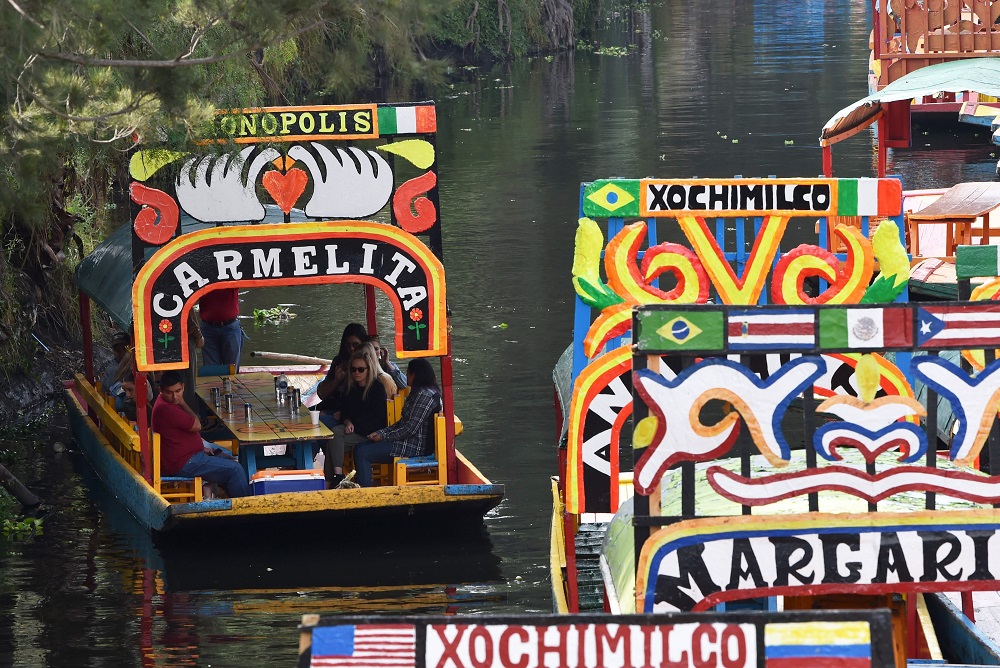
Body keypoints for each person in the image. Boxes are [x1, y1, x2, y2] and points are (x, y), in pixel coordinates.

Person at [152, 369, 250, 498]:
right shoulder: (166, 409)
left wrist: (202, 448)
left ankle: (230, 500)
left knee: (229, 459)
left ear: (183, 387)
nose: (174, 397)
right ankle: (245, 506)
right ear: (160, 390)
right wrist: (183, 402)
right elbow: (197, 425)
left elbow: (177, 435)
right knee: (235, 469)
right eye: (169, 392)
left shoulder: (165, 402)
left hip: (190, 456)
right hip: (184, 463)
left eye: (178, 391)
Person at [353, 358, 442, 487]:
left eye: (408, 373)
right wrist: (380, 432)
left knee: (363, 453)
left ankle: (363, 492)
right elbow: (402, 422)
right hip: (408, 440)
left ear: (414, 375)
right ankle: (363, 483)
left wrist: (383, 437)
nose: (406, 376)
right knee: (359, 447)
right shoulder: (417, 393)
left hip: (415, 446)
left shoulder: (425, 395)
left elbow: (410, 429)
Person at [322, 348, 387, 489]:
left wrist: (353, 424)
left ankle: (334, 479)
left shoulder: (377, 389)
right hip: (354, 431)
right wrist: (347, 421)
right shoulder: (351, 388)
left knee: (335, 434)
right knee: (331, 443)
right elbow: (345, 411)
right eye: (353, 369)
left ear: (368, 370)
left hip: (369, 432)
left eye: (360, 369)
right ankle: (332, 481)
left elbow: (376, 419)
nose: (356, 373)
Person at [315, 323, 367, 418]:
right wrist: (336, 381)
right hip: (330, 406)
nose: (351, 349)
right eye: (348, 345)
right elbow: (322, 394)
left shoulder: (368, 364)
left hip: (349, 413)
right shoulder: (339, 362)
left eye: (355, 345)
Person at [198, 288, 242, 371]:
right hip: (208, 327)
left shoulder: (232, 276)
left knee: (232, 368)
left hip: (230, 326)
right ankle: (214, 383)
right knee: (211, 369)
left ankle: (231, 384)